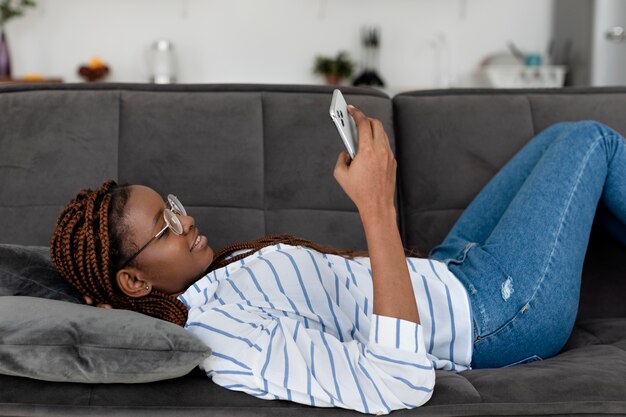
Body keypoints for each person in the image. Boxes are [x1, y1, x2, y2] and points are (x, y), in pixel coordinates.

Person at [50, 105, 626, 415]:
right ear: (132, 279)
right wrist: (377, 205)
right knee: (592, 141)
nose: (188, 220)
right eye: (166, 226)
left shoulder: (216, 276)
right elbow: (394, 382)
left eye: (173, 206)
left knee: (561, 134)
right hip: (497, 313)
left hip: (451, 269)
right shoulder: (226, 339)